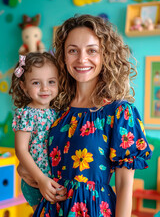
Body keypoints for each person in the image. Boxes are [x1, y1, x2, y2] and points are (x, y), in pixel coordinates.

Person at [22, 14, 152, 217]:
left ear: (105, 55)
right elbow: (33, 154)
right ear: (63, 57)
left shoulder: (119, 113)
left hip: (93, 210)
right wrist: (25, 171)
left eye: (92, 50)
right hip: (50, 210)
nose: (82, 59)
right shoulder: (55, 108)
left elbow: (125, 185)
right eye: (73, 50)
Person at [9, 52, 67, 211]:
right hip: (35, 182)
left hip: (55, 180)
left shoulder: (57, 112)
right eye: (36, 83)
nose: (45, 88)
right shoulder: (26, 114)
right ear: (23, 86)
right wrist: (40, 179)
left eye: (51, 82)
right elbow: (21, 150)